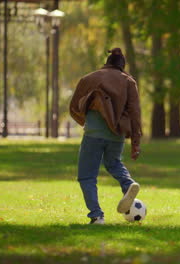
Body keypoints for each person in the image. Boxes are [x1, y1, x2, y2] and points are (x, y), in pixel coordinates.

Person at [69, 48, 142, 224]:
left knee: (87, 176)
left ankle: (96, 216)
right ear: (122, 66)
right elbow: (135, 114)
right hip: (117, 134)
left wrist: (86, 122)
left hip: (93, 133)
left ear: (107, 62)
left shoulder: (89, 78)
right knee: (114, 163)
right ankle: (127, 184)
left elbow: (73, 108)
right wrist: (135, 144)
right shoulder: (128, 81)